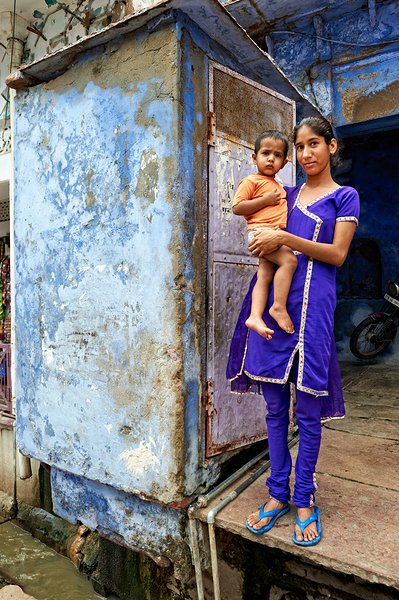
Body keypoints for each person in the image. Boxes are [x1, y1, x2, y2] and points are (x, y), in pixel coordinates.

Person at [226, 116, 360, 546]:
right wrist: (262, 237)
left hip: (314, 308)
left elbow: (337, 255)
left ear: (332, 147)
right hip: (273, 308)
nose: (305, 154)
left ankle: (304, 498)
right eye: (299, 147)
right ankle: (277, 493)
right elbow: (252, 219)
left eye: (314, 144)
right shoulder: (285, 192)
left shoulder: (344, 197)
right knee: (272, 408)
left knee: (307, 410)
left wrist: (285, 236)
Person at [232, 131, 297, 336]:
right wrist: (265, 200)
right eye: (265, 153)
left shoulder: (279, 186)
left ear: (284, 163)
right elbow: (238, 207)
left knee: (265, 274)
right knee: (289, 261)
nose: (271, 158)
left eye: (277, 155)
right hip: (262, 233)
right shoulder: (251, 181)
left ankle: (255, 317)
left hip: (273, 233)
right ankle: (278, 306)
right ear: (255, 157)